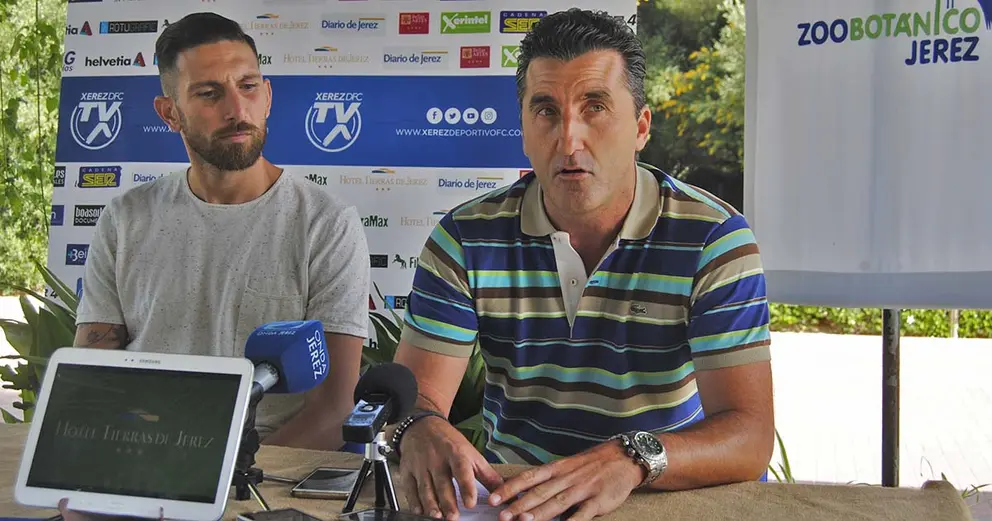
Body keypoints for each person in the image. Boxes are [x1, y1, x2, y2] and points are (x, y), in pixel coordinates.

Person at [389, 9, 774, 521]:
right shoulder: (464, 238)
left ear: (640, 128)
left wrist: (632, 458)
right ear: (523, 126)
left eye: (594, 107)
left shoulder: (714, 239)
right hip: (518, 503)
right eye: (546, 110)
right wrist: (419, 427)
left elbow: (749, 436)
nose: (569, 141)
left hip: (664, 495)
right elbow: (417, 399)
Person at [72, 13, 369, 452]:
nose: (236, 110)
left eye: (248, 86)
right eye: (209, 93)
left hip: (269, 473)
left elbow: (333, 409)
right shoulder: (124, 218)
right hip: (140, 460)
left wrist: (217, 480)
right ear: (169, 112)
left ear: (267, 96)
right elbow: (92, 381)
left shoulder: (327, 225)